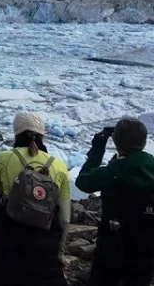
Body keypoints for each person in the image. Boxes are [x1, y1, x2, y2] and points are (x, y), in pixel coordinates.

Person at [0, 111, 71, 286]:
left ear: (16, 133)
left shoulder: (2, 158)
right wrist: (60, 253)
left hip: (8, 241)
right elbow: (65, 218)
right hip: (44, 247)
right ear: (42, 135)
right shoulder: (59, 165)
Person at [76, 117, 154, 286]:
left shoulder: (113, 171)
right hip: (146, 250)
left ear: (118, 143)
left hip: (112, 250)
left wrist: (97, 151)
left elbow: (83, 181)